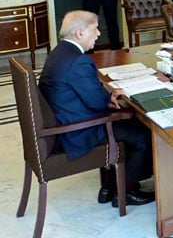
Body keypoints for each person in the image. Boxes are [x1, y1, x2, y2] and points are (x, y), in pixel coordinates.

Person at [38, 11, 154, 207]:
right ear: (80, 33)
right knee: (141, 132)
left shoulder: (60, 52)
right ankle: (125, 193)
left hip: (66, 120)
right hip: (77, 131)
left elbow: (89, 96)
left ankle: (109, 188)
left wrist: (107, 98)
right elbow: (96, 103)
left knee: (126, 120)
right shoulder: (78, 61)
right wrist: (108, 98)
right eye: (95, 29)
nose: (99, 33)